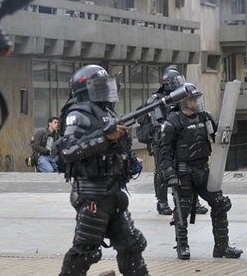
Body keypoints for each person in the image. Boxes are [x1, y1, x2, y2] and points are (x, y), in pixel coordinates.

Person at [53, 65, 148, 276]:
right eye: (100, 86)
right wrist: (104, 137)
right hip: (91, 194)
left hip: (112, 193)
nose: (107, 90)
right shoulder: (78, 113)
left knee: (132, 246)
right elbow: (68, 150)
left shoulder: (105, 112)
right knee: (85, 252)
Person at [159, 88, 243, 260]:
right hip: (183, 173)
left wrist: (220, 135)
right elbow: (164, 150)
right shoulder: (172, 121)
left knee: (220, 204)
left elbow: (215, 136)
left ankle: (222, 247)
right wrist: (170, 174)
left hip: (203, 170)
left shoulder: (204, 116)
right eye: (191, 100)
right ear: (183, 101)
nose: (195, 102)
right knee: (182, 210)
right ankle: (182, 247)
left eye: (196, 99)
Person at [136, 66, 207, 216]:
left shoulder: (183, 97)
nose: (178, 85)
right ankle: (162, 203)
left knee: (189, 168)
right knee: (163, 170)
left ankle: (194, 202)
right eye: (175, 82)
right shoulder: (156, 99)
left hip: (181, 139)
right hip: (162, 140)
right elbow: (157, 123)